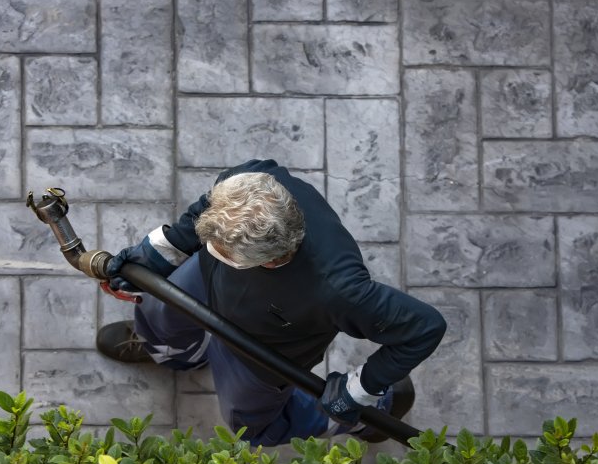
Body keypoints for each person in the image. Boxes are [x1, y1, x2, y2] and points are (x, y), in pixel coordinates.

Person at [96, 159, 446, 446]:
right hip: (206, 283)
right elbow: (204, 214)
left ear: (270, 261)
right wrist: (156, 255)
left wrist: (363, 389)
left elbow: (423, 328)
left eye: (223, 252)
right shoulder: (249, 182)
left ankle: (371, 414)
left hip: (262, 352)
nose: (208, 247)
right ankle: (179, 355)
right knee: (156, 311)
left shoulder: (340, 289)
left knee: (252, 427)